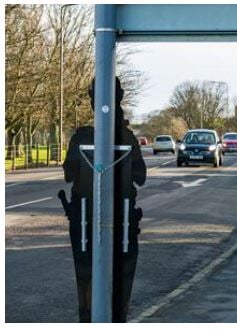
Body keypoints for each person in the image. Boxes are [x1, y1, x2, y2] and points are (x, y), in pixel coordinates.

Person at [60, 77, 146, 322]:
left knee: (85, 276)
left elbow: (69, 174)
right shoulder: (127, 138)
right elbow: (140, 176)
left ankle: (88, 319)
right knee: (122, 275)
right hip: (121, 219)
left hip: (86, 219)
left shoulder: (81, 138)